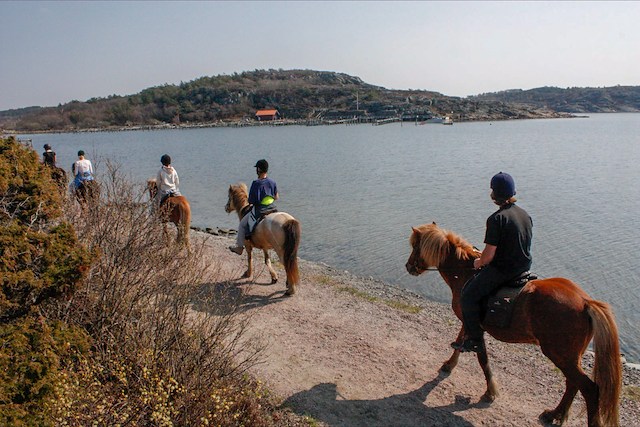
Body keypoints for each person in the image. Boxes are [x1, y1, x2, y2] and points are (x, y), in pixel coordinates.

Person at [452, 172, 533, 353]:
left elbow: (488, 257)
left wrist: (479, 262)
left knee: (467, 296)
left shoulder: (496, 219)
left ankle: (473, 339)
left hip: (503, 271)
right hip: (524, 268)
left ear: (494, 194)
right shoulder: (525, 215)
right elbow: (516, 245)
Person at [229, 159, 279, 255]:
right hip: (273, 208)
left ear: (259, 169)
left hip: (260, 210)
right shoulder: (273, 182)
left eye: (257, 168)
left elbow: (251, 201)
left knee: (243, 224)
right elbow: (276, 197)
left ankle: (239, 247)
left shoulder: (256, 183)